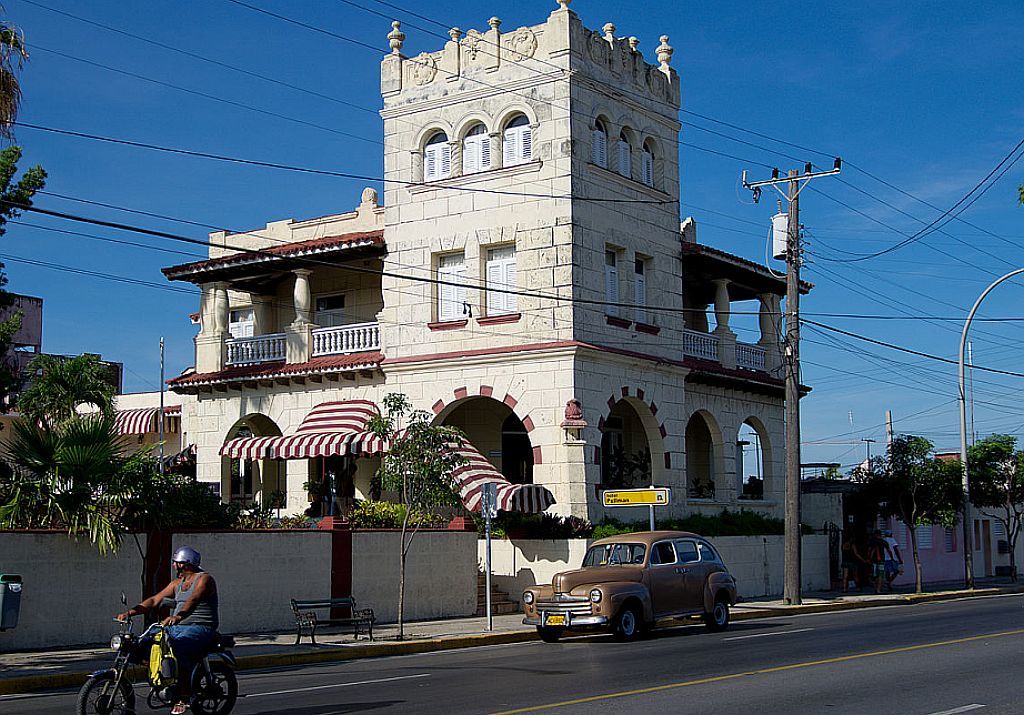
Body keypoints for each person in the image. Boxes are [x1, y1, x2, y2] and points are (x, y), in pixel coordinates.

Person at [117, 546, 219, 715]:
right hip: (178, 628)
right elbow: (154, 600)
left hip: (201, 628)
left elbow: (192, 600)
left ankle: (183, 696)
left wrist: (178, 617)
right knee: (140, 644)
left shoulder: (204, 579)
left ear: (186, 564)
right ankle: (165, 676)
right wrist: (131, 612)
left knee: (178, 648)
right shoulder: (176, 584)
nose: (174, 565)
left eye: (176, 563)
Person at [866, 530, 893, 594]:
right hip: (881, 560)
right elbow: (889, 550)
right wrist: (892, 558)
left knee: (875, 575)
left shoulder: (872, 542)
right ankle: (878, 589)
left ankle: (876, 588)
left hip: (873, 560)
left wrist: (868, 558)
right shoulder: (883, 542)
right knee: (880, 575)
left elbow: (869, 550)